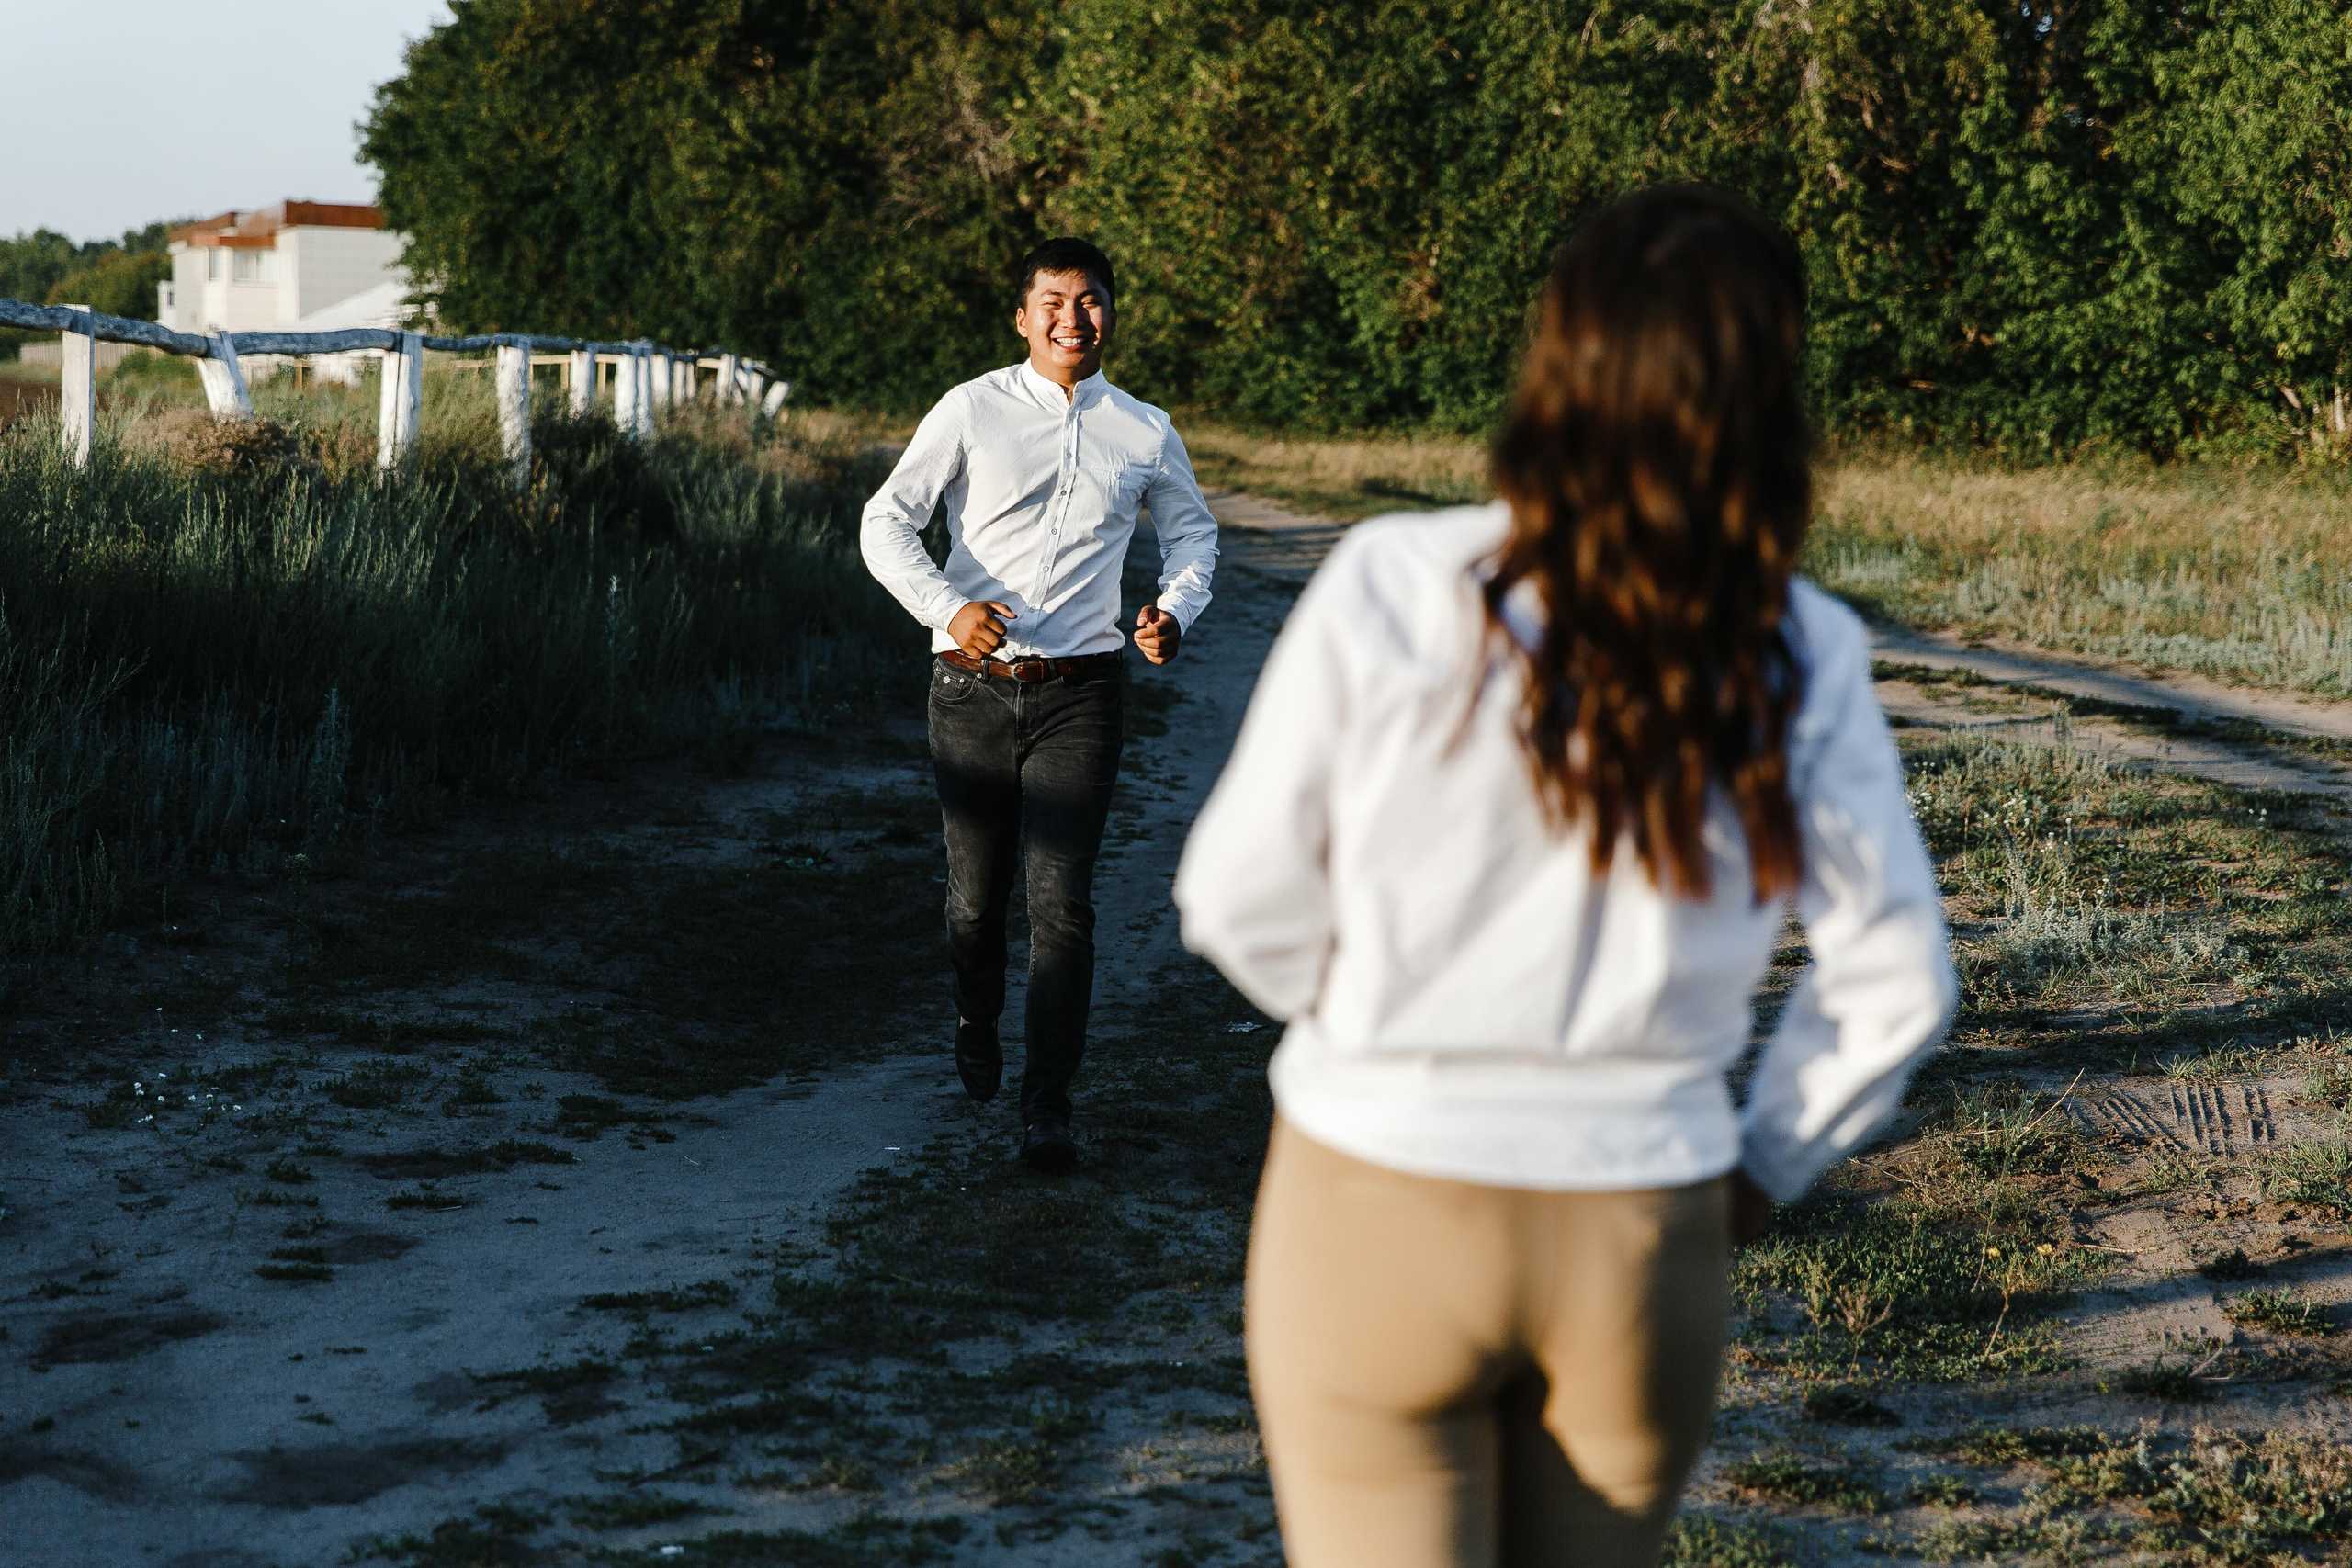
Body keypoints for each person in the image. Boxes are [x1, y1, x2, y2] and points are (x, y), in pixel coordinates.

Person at [1173, 186, 1957, 1568]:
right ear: (1771, 394)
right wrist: (1764, 1161)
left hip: (1375, 1195)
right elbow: (1897, 980)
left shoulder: (1395, 582)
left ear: (1559, 361)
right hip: (1642, 1223)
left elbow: (1236, 895)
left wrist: (1370, 1025)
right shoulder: (1799, 645)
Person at [862, 237, 1219, 1171]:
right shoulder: (971, 409)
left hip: (1084, 694)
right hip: (970, 692)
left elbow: (1193, 537)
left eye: (1091, 299)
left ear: (1111, 314)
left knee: (1062, 906)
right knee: (978, 904)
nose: (1073, 317)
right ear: (1022, 317)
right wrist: (948, 608)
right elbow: (885, 519)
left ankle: (1046, 1110)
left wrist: (1172, 611)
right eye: (1053, 300)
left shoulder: (1143, 428)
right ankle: (974, 1015)